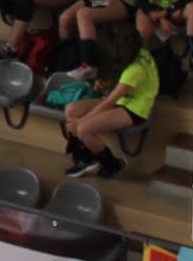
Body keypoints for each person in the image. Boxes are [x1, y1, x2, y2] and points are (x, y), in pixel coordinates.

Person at [62, 25, 155, 178]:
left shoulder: (136, 69)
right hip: (123, 99)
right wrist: (106, 84)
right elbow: (123, 82)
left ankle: (113, 164)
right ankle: (87, 159)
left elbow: (110, 102)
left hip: (135, 109)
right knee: (71, 109)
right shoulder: (139, 53)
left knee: (83, 129)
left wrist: (80, 122)